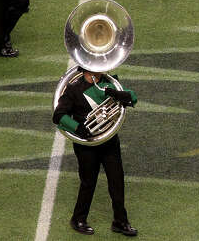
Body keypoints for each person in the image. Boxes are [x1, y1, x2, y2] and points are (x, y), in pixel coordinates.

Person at [52, 67, 138, 236]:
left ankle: (120, 221)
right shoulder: (73, 89)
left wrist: (122, 96)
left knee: (117, 180)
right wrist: (78, 128)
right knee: (88, 183)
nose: (103, 66)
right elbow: (58, 115)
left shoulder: (110, 83)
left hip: (109, 142)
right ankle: (78, 219)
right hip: (86, 146)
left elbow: (133, 99)